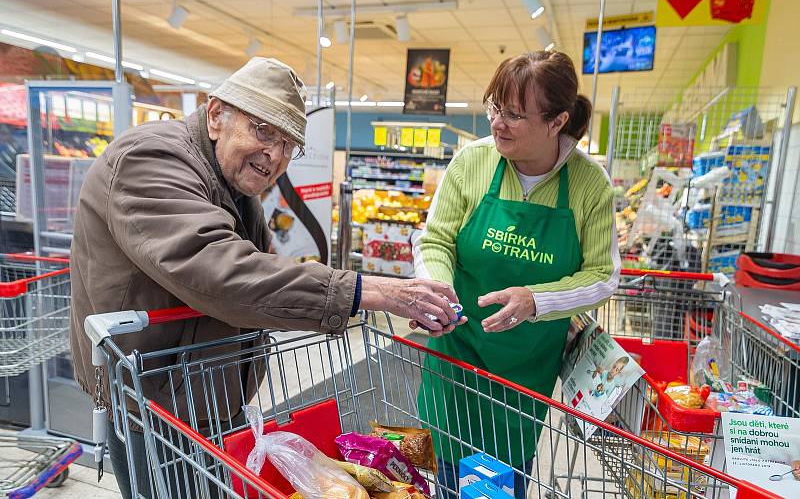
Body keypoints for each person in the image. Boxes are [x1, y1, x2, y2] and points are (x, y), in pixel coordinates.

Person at [68, 57, 463, 498]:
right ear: (217, 115)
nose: (275, 154)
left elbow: (265, 280)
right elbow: (218, 269)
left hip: (203, 393)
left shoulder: (235, 186)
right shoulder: (150, 158)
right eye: (263, 130)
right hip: (151, 400)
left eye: (288, 144)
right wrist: (367, 292)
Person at [413, 50, 620, 498]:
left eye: (513, 114)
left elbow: (603, 276)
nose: (497, 123)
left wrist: (536, 299)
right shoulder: (473, 163)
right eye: (494, 107)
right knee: (448, 476)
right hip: (458, 350)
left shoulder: (589, 185)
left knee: (500, 484)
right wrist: (435, 289)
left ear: (557, 121)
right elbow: (435, 240)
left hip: (523, 372)